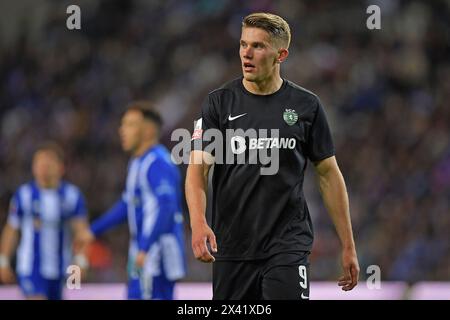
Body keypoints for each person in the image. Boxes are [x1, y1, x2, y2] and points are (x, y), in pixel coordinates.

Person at [186, 12, 360, 300]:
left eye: (257, 46)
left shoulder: (306, 106)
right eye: (243, 44)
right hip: (231, 248)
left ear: (281, 54)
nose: (246, 53)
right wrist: (198, 222)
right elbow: (197, 170)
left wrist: (348, 244)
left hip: (287, 245)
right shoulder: (218, 103)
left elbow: (329, 174)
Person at [79, 102, 186, 300]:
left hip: (156, 254)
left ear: (148, 130)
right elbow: (127, 205)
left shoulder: (157, 163)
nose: (122, 130)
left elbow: (167, 206)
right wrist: (94, 230)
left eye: (129, 124)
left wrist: (146, 246)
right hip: (142, 252)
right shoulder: (137, 163)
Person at [0, 143, 90, 300]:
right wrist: (3, 260)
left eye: (48, 164)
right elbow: (12, 229)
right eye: (39, 164)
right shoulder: (24, 195)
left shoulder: (72, 196)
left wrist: (81, 261)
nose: (43, 168)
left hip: (61, 269)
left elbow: (81, 233)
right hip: (30, 268)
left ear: (61, 168)